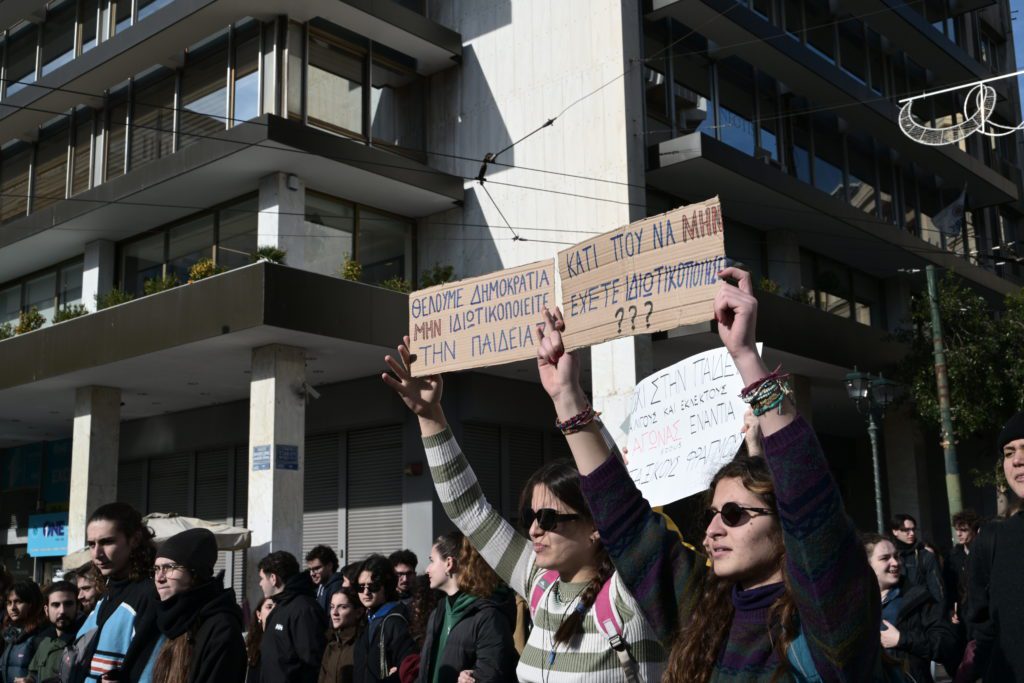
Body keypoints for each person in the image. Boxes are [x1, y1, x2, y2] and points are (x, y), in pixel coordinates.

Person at [523, 268, 883, 681]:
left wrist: (746, 356)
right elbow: (627, 525)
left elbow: (811, 503)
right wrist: (567, 398)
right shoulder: (700, 611)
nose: (712, 529)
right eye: (712, 513)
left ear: (786, 526)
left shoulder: (826, 623)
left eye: (732, 514)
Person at [382, 345, 665, 682]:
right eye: (530, 517)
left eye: (548, 519)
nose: (533, 530)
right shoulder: (539, 582)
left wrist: (568, 398)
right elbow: (470, 509)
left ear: (597, 525)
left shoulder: (631, 591)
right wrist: (429, 415)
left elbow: (614, 491)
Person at [70, 502, 160, 683]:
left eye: (107, 542)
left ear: (134, 540)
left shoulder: (148, 594)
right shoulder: (107, 593)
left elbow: (150, 670)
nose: (97, 553)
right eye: (91, 544)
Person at [966, 410, 1024, 679]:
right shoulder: (994, 540)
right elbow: (985, 629)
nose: (1018, 461)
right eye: (1009, 452)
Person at [147, 528, 246, 683]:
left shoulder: (221, 628)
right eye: (157, 569)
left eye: (169, 568)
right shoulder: (169, 620)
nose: (159, 578)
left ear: (195, 574)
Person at [418, 531, 517, 683]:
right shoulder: (438, 613)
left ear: (449, 563)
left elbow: (493, 675)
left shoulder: (488, 616)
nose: (427, 569)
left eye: (432, 561)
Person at [862, 533, 957, 683]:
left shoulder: (917, 598)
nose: (895, 562)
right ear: (866, 564)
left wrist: (902, 639)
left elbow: (946, 644)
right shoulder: (853, 605)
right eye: (885, 558)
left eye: (896, 556)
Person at [258, 550, 327, 683]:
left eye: (262, 578)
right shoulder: (281, 606)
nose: (260, 584)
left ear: (273, 578)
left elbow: (313, 663)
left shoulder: (304, 609)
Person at [352, 555, 416, 683]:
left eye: (373, 586)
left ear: (386, 586)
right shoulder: (366, 618)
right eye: (361, 587)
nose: (366, 592)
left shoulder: (396, 621)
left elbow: (407, 670)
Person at [25, 580, 83, 683]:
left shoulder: (84, 641)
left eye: (68, 604)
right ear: (46, 610)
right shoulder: (45, 641)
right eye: (56, 605)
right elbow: (33, 675)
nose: (62, 611)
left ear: (78, 607)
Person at [889, 513, 945, 608]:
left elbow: (937, 587)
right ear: (895, 532)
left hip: (921, 609)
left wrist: (939, 613)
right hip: (895, 610)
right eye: (906, 530)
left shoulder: (924, 555)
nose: (912, 533)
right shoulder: (889, 556)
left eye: (913, 529)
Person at [1, 579, 46, 683]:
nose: (12, 608)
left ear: (32, 604)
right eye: (9, 603)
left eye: (18, 602)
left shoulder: (42, 634)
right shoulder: (8, 634)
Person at [319, 587, 364, 683]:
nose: (334, 612)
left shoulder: (362, 645)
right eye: (332, 607)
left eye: (342, 607)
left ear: (358, 612)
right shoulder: (332, 643)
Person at [945, 509, 980, 625]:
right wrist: (950, 610)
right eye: (957, 530)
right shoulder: (953, 556)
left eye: (963, 530)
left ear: (975, 531)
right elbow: (949, 586)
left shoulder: (984, 553)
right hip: (962, 611)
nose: (958, 534)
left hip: (983, 609)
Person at [244, 597, 275, 683]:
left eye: (277, 608)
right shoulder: (250, 643)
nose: (273, 611)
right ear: (259, 614)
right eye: (269, 607)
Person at [308, 546, 345, 613]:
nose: (312, 574)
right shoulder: (320, 586)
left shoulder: (337, 587)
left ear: (329, 566)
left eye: (316, 569)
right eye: (310, 570)